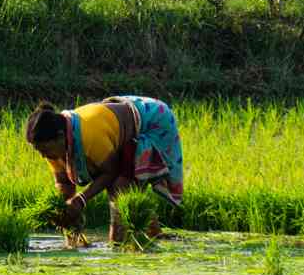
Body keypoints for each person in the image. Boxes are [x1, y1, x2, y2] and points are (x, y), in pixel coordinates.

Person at [24, 96, 184, 243]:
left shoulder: (89, 135)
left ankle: (118, 243)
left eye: (44, 149)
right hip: (119, 123)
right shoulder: (54, 148)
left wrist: (81, 200)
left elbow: (110, 172)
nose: (43, 156)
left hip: (153, 121)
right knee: (127, 187)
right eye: (39, 151)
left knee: (120, 187)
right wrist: (63, 211)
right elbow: (63, 184)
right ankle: (155, 235)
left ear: (60, 136)